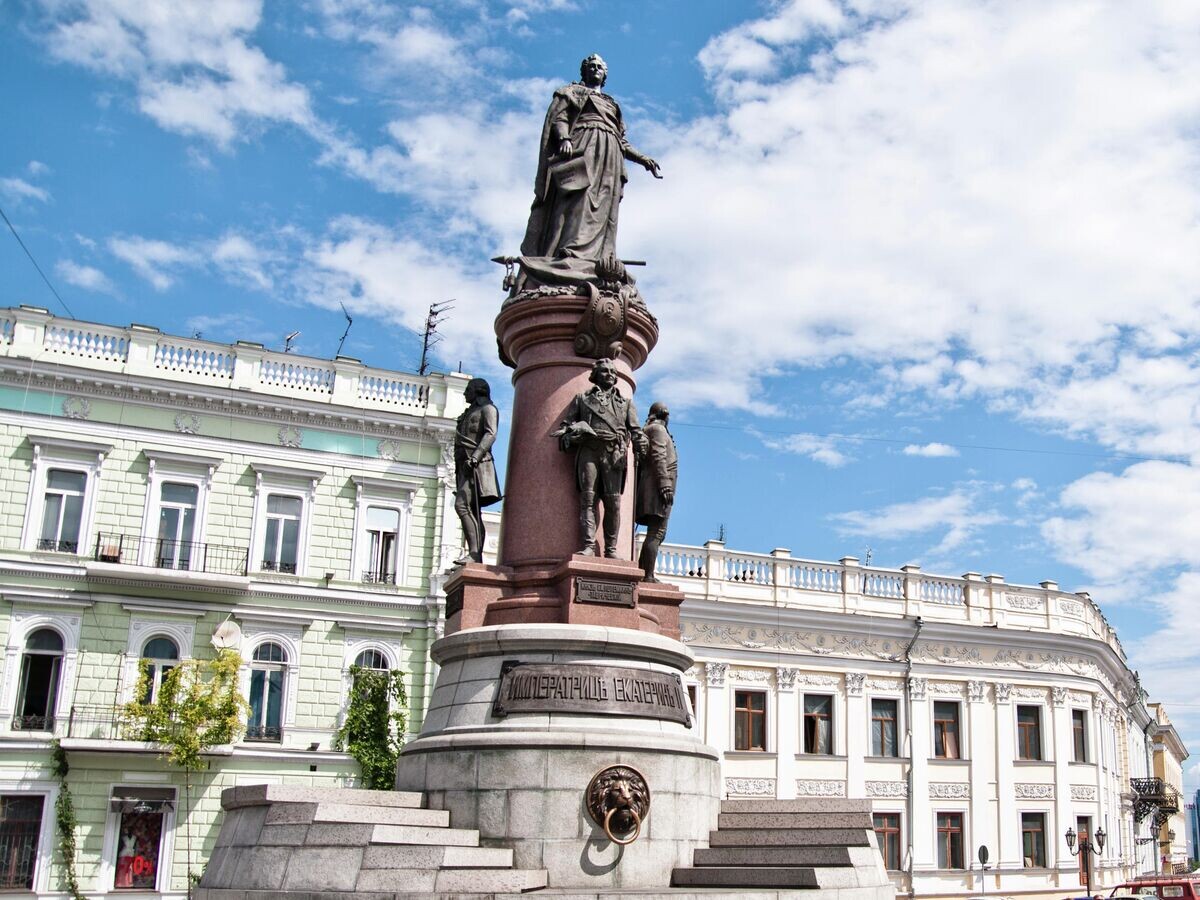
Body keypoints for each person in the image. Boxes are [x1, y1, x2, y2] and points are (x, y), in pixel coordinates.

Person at [520, 54, 661, 284]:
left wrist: (644, 159)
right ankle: (570, 253)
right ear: (584, 72)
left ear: (605, 74)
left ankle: (599, 258)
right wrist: (564, 138)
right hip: (584, 147)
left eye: (599, 67)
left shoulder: (612, 104)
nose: (595, 69)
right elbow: (560, 118)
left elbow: (621, 139)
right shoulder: (572, 92)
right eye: (591, 66)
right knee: (580, 201)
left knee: (605, 208)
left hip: (610, 157)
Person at [555, 359, 640, 557]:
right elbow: (565, 427)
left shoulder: (625, 404)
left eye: (612, 371)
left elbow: (636, 431)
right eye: (604, 371)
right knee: (588, 498)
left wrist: (640, 441)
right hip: (589, 450)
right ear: (595, 375)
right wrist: (571, 434)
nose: (610, 374)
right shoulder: (582, 399)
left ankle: (611, 549)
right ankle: (588, 545)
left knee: (614, 503)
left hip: (613, 453)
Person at [454, 378, 501, 564]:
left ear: (478, 390)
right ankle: (474, 553)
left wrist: (475, 457)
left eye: (468, 389)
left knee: (463, 506)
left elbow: (491, 434)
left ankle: (474, 554)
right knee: (471, 509)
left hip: (477, 465)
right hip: (463, 466)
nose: (465, 393)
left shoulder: (488, 409)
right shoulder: (468, 412)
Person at [635, 402, 676, 582]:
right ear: (664, 415)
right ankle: (648, 576)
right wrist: (665, 484)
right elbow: (658, 456)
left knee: (657, 532)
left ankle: (644, 572)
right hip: (657, 489)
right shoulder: (658, 430)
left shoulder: (652, 429)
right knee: (657, 532)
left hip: (655, 486)